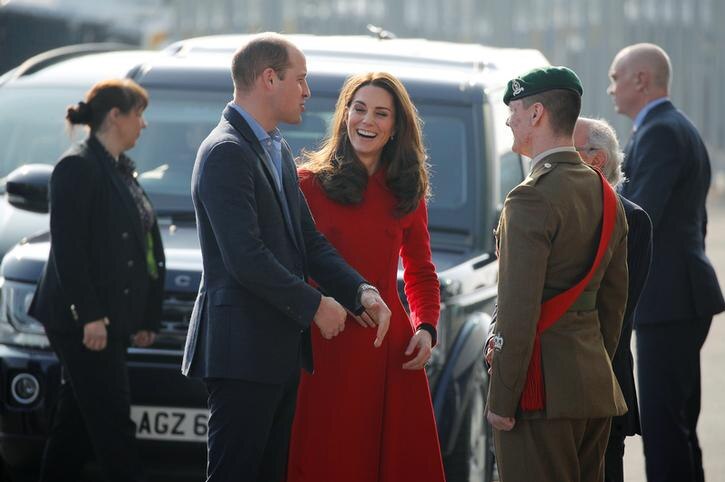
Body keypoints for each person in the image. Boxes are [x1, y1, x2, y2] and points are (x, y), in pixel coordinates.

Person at [181, 34, 391, 482]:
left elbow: (308, 242)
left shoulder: (273, 148)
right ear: (269, 79)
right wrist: (315, 305)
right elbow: (245, 258)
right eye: (301, 80)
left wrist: (360, 291)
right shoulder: (225, 152)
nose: (308, 92)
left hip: (274, 352)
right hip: (240, 355)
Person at [286, 72, 445, 482]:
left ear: (396, 127)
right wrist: (319, 306)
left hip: (384, 346)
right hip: (324, 339)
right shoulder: (307, 183)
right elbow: (291, 263)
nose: (367, 121)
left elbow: (421, 271)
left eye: (380, 113)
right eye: (359, 109)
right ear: (344, 115)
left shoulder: (407, 190)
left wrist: (426, 327)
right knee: (325, 458)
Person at [486, 67, 629, 482]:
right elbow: (613, 305)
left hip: (538, 394)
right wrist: (588, 366)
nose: (510, 120)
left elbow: (516, 309)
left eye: (514, 110)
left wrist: (502, 399)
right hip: (592, 388)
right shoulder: (605, 194)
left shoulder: (529, 198)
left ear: (536, 115)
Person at [29, 79, 165, 482]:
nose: (143, 125)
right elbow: (69, 250)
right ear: (114, 116)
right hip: (85, 324)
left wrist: (145, 317)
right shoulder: (78, 165)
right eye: (139, 114)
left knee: (73, 427)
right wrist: (89, 316)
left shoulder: (118, 168)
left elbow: (139, 250)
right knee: (113, 427)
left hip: (110, 320)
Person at [608, 43, 724, 482]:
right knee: (677, 428)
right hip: (681, 298)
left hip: (669, 302)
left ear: (641, 80)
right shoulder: (677, 127)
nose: (611, 87)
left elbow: (638, 217)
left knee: (664, 431)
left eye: (616, 77)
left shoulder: (659, 132)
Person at [574, 117, 653, 482]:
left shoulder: (632, 220)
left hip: (603, 385)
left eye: (567, 151)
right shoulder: (549, 210)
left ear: (596, 160)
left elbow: (615, 317)